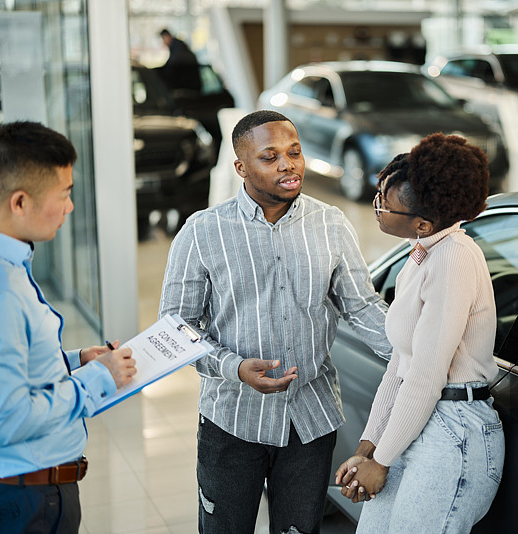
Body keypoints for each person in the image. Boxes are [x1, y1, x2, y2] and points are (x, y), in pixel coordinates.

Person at [158, 109, 392, 534]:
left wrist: (421, 351)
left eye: (295, 152)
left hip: (311, 419)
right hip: (232, 422)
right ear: (241, 167)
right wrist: (235, 368)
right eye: (270, 157)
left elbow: (362, 306)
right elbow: (176, 329)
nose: (288, 164)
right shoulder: (202, 232)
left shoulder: (331, 223)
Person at [0, 121, 137, 534]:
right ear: (20, 202)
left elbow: (4, 358)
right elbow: (8, 419)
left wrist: (78, 360)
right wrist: (99, 378)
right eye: (63, 194)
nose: (70, 207)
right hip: (26, 508)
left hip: (13, 496)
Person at [335, 133, 504, 533]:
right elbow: (401, 364)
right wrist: (369, 447)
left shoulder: (453, 259)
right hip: (416, 424)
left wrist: (382, 460)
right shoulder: (421, 255)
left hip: (454, 432)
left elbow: (427, 375)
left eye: (385, 204)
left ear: (423, 222)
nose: (377, 208)